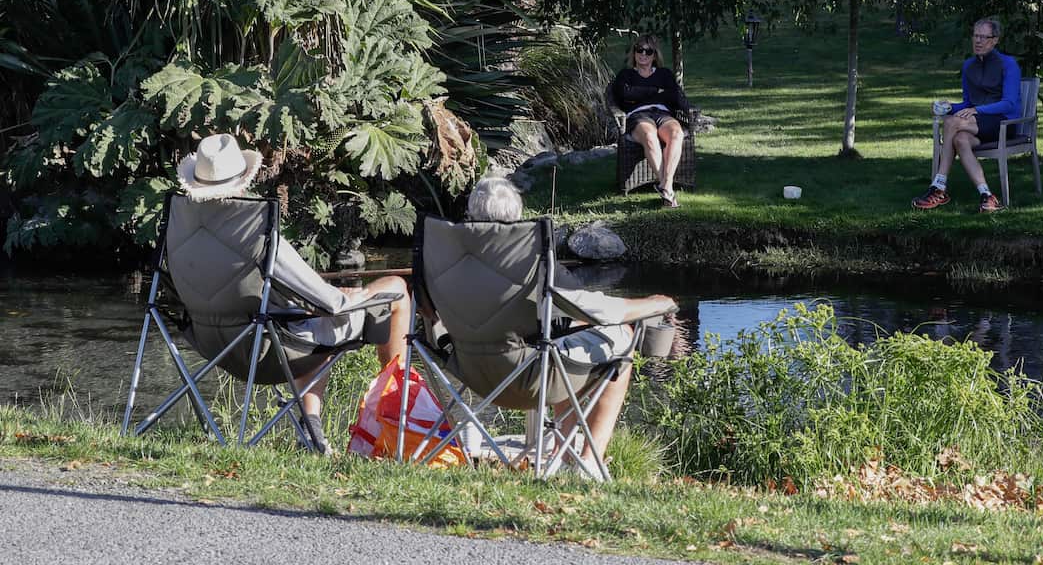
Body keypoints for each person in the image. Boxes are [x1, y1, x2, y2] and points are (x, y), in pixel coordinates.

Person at [176, 133, 413, 455]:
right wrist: (353, 296)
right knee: (395, 290)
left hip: (211, 345)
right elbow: (330, 304)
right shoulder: (254, 228)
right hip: (268, 350)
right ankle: (398, 417)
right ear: (243, 182)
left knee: (305, 320)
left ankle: (310, 428)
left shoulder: (181, 224)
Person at [465, 176, 677, 474]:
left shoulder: (446, 260)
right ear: (517, 218)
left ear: (469, 217)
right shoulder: (533, 260)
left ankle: (562, 453)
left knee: (563, 337)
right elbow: (599, 309)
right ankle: (588, 461)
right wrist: (655, 304)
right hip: (527, 381)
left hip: (471, 374)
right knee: (620, 339)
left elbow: (429, 314)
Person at [913, 17, 1021, 213]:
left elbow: (1009, 103)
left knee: (951, 124)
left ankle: (938, 186)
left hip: (1004, 123)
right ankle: (987, 195)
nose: (978, 41)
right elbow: (967, 103)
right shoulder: (969, 66)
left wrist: (977, 110)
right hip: (976, 124)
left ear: (995, 40)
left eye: (984, 37)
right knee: (960, 139)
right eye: (976, 36)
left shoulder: (1008, 64)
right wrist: (948, 107)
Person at [609, 34, 692, 208]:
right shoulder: (626, 75)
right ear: (634, 53)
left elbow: (674, 95)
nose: (643, 54)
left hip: (663, 114)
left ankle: (665, 186)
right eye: (640, 50)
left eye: (648, 51)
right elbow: (625, 94)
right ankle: (668, 191)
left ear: (654, 55)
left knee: (676, 134)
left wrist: (640, 93)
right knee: (649, 135)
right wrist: (656, 91)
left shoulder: (664, 74)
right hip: (639, 116)